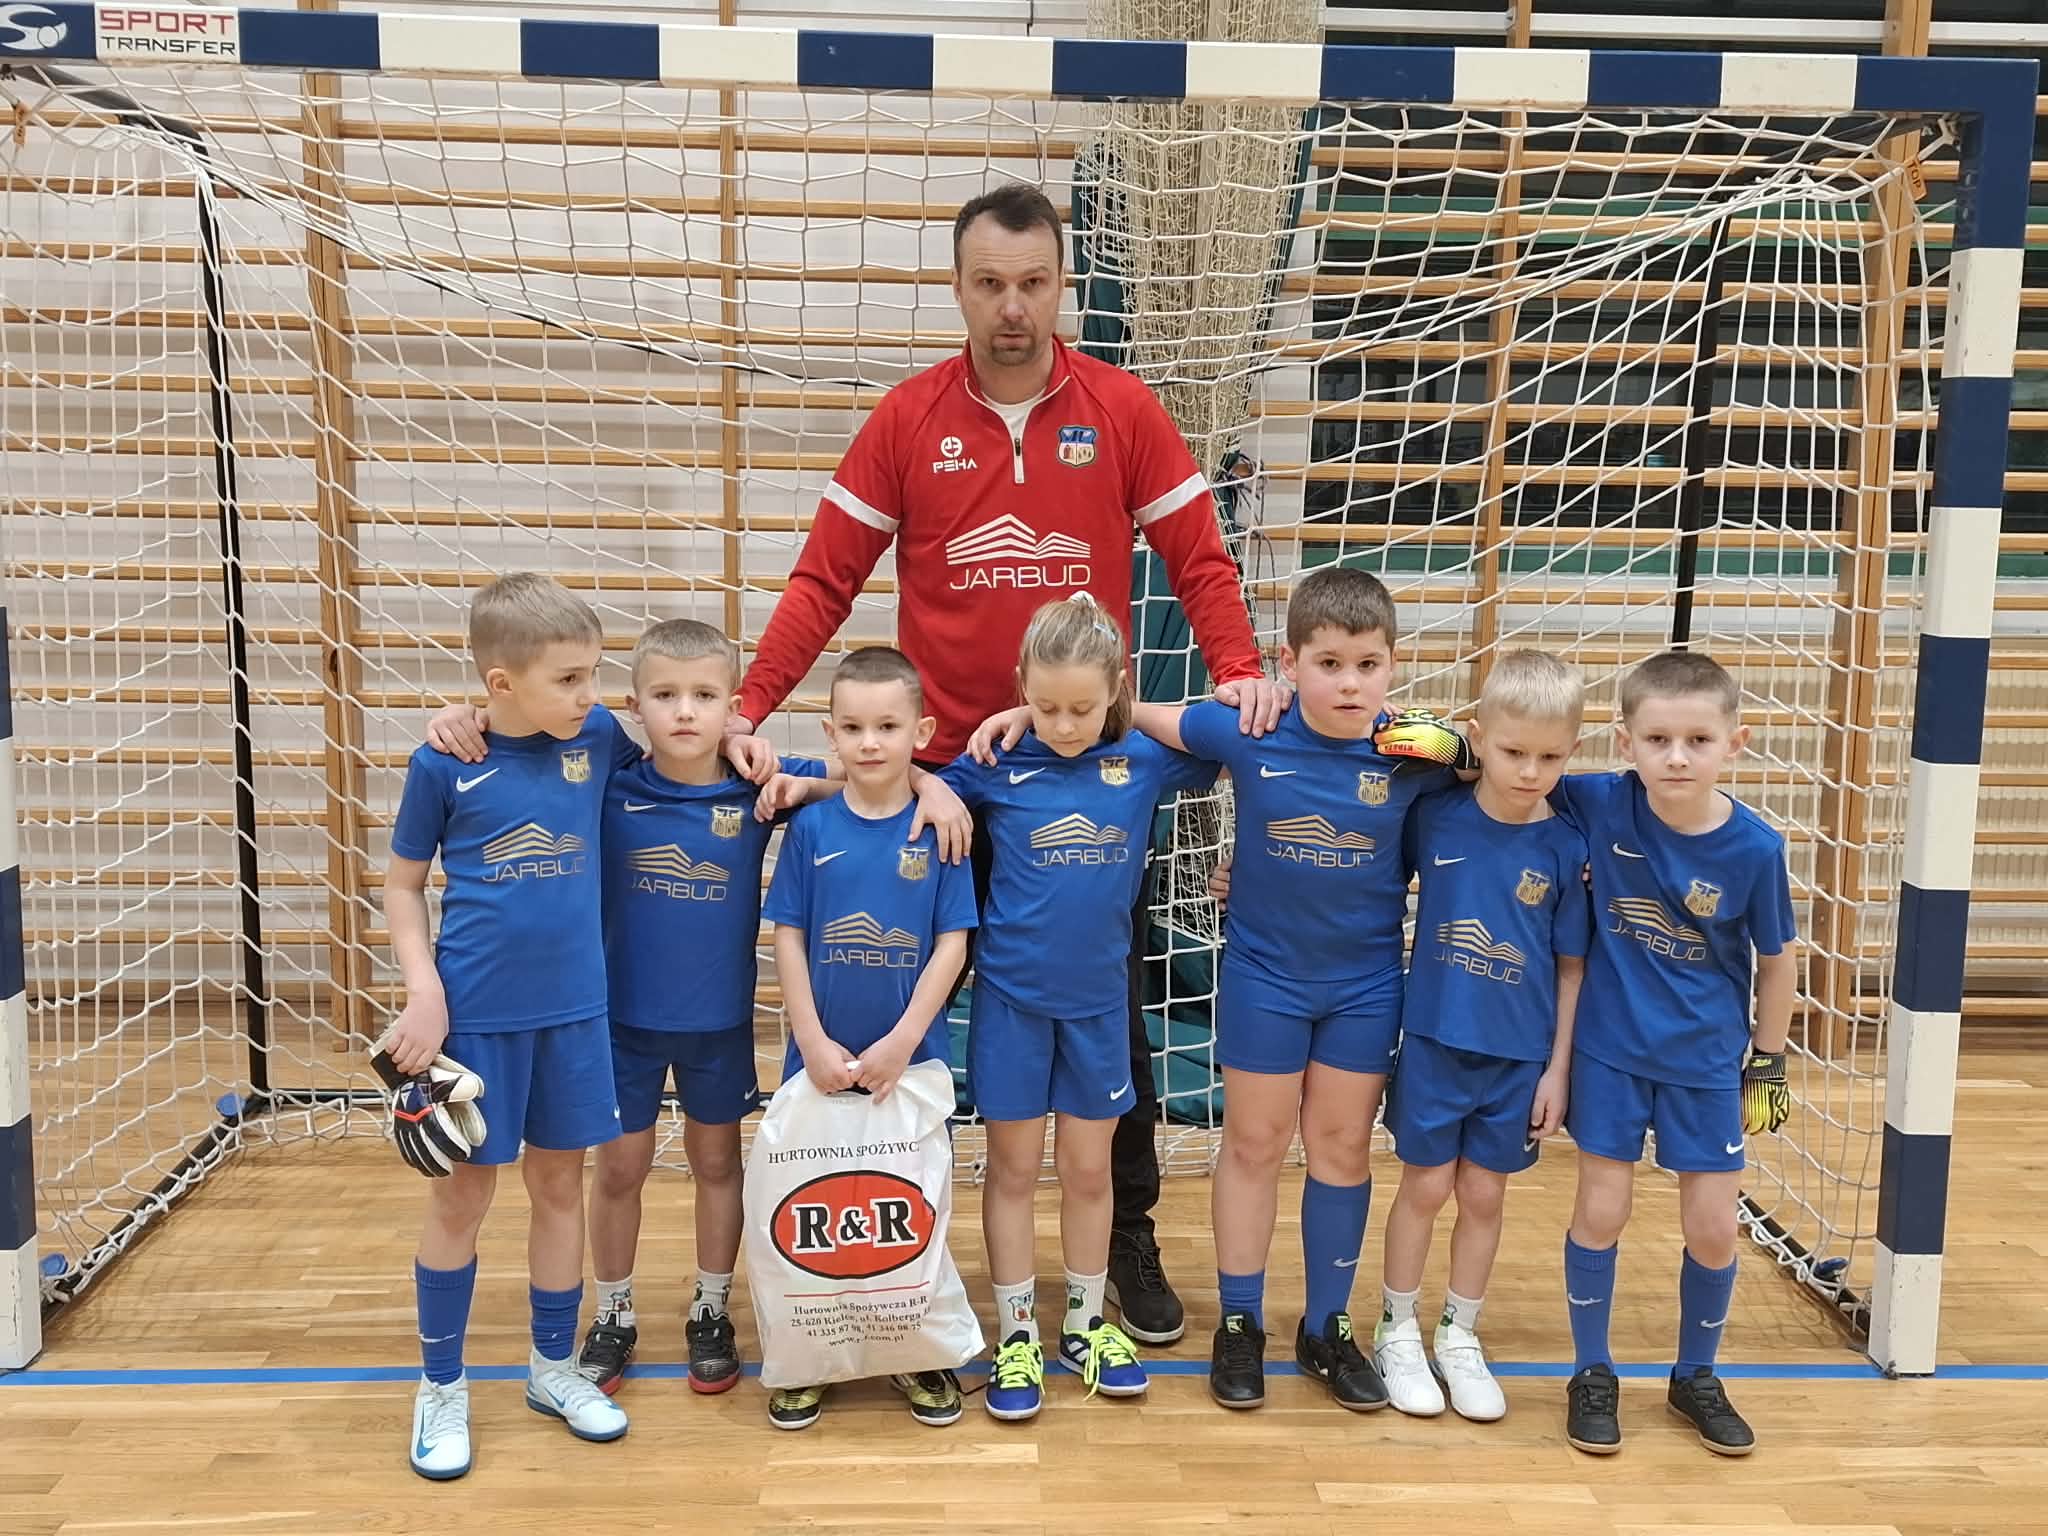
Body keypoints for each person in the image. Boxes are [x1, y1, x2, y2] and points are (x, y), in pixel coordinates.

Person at [723, 179, 1288, 1339]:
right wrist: (749, 703)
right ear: (957, 288)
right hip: (940, 786)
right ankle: (900, 1252)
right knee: (902, 1006)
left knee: (1104, 1007)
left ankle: (1124, 1237)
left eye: (1033, 283)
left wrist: (1235, 669)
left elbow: (1198, 556)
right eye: (989, 284)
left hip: (1085, 777)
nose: (1013, 307)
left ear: (1061, 284)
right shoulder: (905, 420)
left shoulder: (1121, 409)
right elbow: (823, 578)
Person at [1060, 566, 1459, 1410]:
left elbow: (1509, 777)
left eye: (1368, 664)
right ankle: (1239, 1323)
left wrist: (1466, 752)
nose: (1348, 683)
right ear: (1289, 663)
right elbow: (1121, 713)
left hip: (1364, 988)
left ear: (1393, 666)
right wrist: (1029, 715)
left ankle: (1326, 1327)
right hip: (1264, 981)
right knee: (1253, 1145)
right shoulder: (1250, 727)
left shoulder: (1415, 750)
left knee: (1343, 1150)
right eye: (1328, 663)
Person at [383, 572, 641, 1480]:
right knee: (463, 1197)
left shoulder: (597, 738)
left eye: (594, 673)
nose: (589, 694)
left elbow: (683, 755)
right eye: (568, 678)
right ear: (500, 683)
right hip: (476, 1020)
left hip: (575, 1014)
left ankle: (552, 1368)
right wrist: (424, 992)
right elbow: (403, 887)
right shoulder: (442, 763)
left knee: (560, 1188)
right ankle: (441, 1386)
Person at [943, 595, 1217, 1421]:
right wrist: (939, 784)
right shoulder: (994, 763)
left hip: (1100, 1010)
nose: (1063, 725)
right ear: (1020, 686)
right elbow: (907, 789)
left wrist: (1132, 715)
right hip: (1011, 1008)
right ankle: (1018, 1332)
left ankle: (1086, 1325)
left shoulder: (1143, 758)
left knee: (1091, 1173)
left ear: (1117, 689)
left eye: (1083, 707)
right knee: (1013, 1172)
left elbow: (1224, 738)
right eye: (1045, 705)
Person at [1552, 650, 1797, 1457]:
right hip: (1611, 1053)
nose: (1678, 757)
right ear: (1626, 743)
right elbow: (1516, 765)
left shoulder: (1755, 849)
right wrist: (1454, 747)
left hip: (1705, 1063)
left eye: (1698, 740)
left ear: (1736, 743)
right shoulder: (1600, 800)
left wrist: (1768, 1060)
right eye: (1658, 739)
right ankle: (1591, 1372)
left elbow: (1778, 962)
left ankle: (1696, 1375)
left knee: (1714, 1228)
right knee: (1601, 1212)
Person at [571, 620, 825, 1399]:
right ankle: (613, 1312)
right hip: (623, 1024)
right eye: (665, 694)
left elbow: (866, 774)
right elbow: (526, 713)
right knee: (621, 1168)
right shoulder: (610, 777)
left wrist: (799, 780)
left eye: (705, 695)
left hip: (719, 1025)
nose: (685, 711)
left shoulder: (754, 786)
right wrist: (464, 715)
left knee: (717, 1165)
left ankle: (711, 1310)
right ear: (634, 706)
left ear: (733, 707)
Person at [756, 647, 979, 1431]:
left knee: (906, 1207)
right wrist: (810, 1037)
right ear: (830, 734)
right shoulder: (811, 827)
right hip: (817, 1061)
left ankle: (911, 1350)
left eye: (887, 726)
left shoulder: (939, 829)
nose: (870, 742)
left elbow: (953, 943)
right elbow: (787, 934)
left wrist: (905, 1040)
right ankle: (812, 1354)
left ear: (921, 731)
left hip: (908, 1066)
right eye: (852, 727)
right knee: (822, 1205)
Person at [1373, 650, 1590, 1422]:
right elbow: (1363, 871)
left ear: (1573, 751)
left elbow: (1571, 969)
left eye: (1550, 758)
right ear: (1478, 737)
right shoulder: (1434, 815)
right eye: (1512, 751)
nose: (1530, 771)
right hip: (1435, 1042)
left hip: (1520, 1057)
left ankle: (1459, 1333)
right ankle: (1396, 1328)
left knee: (1483, 1193)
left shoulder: (1568, 846)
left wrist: (1557, 1070)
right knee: (1427, 1186)